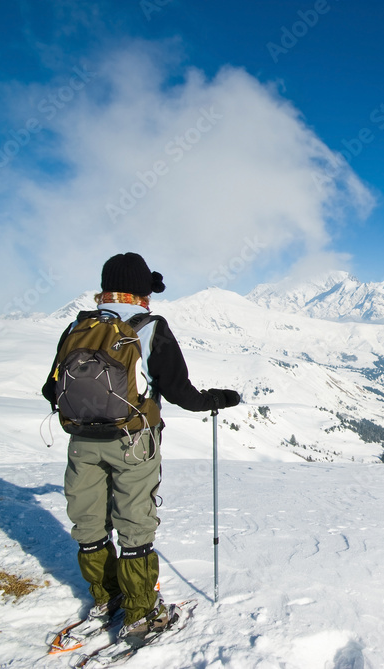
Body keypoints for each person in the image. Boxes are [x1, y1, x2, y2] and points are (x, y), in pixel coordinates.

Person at [42, 252, 240, 641]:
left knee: (88, 521)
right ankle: (141, 612)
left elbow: (52, 389)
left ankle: (106, 596)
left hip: (81, 442)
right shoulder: (150, 328)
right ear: (141, 291)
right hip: (133, 442)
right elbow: (181, 392)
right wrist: (220, 398)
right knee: (134, 523)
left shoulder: (76, 327)